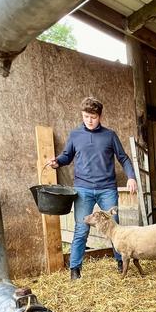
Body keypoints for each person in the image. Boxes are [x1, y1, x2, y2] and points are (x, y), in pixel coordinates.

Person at [48, 96, 137, 280]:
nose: (89, 120)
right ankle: (75, 269)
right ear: (82, 115)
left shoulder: (110, 135)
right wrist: (57, 161)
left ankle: (121, 262)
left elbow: (124, 158)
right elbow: (67, 156)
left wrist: (131, 177)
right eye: (86, 116)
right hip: (83, 189)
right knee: (81, 228)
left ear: (100, 116)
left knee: (115, 227)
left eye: (93, 117)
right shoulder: (75, 135)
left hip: (107, 189)